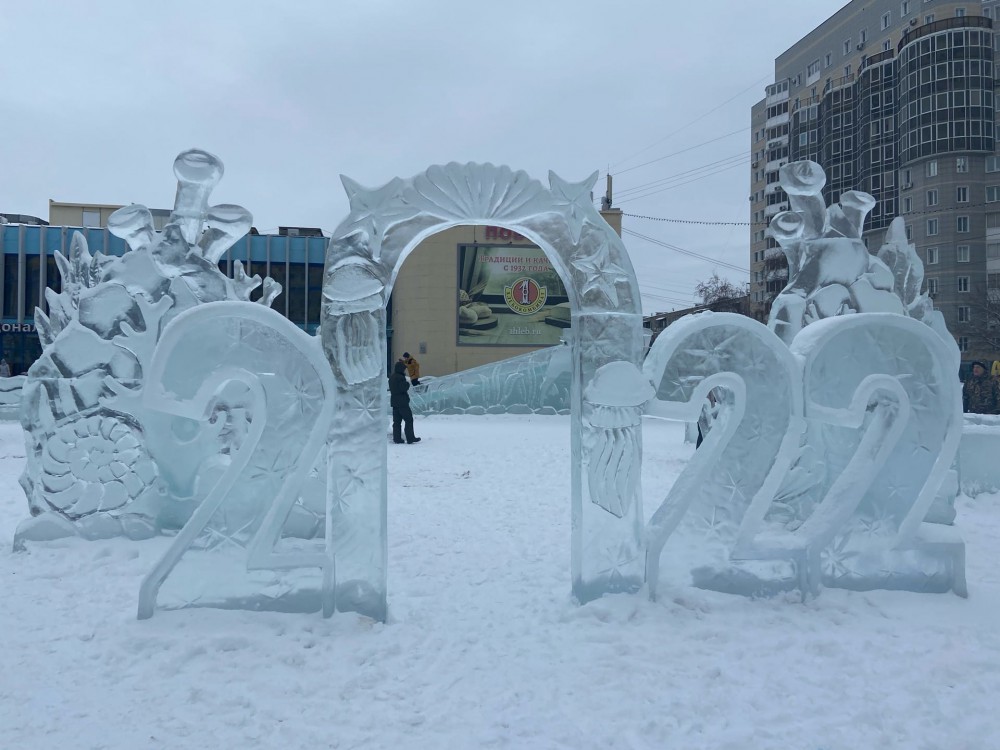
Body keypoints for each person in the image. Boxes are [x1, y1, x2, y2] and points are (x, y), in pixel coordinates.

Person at [389, 360, 421, 444]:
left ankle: (397, 439)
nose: (404, 370)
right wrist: (407, 383)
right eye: (403, 369)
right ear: (400, 369)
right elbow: (403, 388)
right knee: (409, 419)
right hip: (402, 402)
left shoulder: (392, 377)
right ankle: (410, 438)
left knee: (397, 422)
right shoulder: (400, 377)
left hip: (394, 402)